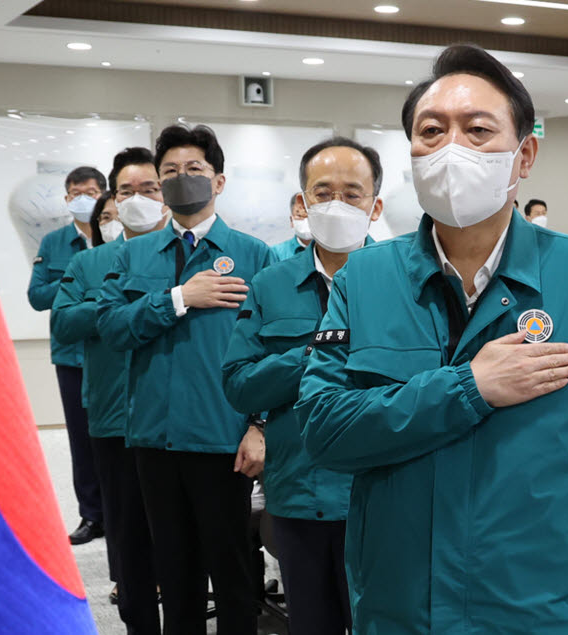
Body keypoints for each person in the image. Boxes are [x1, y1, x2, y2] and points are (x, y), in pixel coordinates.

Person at [296, 44, 568, 635]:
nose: (451, 149)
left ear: (525, 156)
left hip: (542, 609)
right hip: (403, 609)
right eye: (431, 131)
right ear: (413, 154)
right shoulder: (363, 280)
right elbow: (323, 431)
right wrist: (468, 387)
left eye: (477, 130)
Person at [97, 124, 273, 634]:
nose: (181, 179)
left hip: (224, 441)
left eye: (194, 169)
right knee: (175, 578)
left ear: (218, 181)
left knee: (236, 575)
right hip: (155, 439)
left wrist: (259, 425)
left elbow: (274, 349)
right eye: (169, 171)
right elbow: (111, 328)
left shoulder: (255, 254)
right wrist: (178, 299)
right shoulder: (132, 255)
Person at [222, 136, 381, 635]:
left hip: (383, 494)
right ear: (302, 202)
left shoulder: (408, 282)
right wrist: (316, 353)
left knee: (386, 620)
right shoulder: (271, 284)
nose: (337, 204)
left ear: (376, 206)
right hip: (301, 491)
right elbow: (241, 385)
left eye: (353, 193)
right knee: (313, 622)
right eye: (323, 191)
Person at [52, 148, 167, 635]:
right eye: (127, 191)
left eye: (149, 189)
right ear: (113, 201)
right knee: (125, 527)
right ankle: (134, 607)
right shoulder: (93, 262)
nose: (138, 200)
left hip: (176, 418)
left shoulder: (184, 255)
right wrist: (112, 305)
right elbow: (63, 318)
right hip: (114, 414)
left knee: (178, 527)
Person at [27, 165, 106, 545]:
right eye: (76, 193)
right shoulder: (54, 243)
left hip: (113, 350)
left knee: (115, 438)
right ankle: (92, 516)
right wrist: (78, 278)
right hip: (71, 355)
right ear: (66, 199)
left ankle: (122, 510)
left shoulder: (117, 237)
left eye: (91, 191)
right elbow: (37, 296)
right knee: (81, 438)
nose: (83, 199)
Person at [270, 193, 311, 261]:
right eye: (299, 216)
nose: (305, 220)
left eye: (309, 215)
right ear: (291, 220)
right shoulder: (276, 254)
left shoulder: (331, 252)